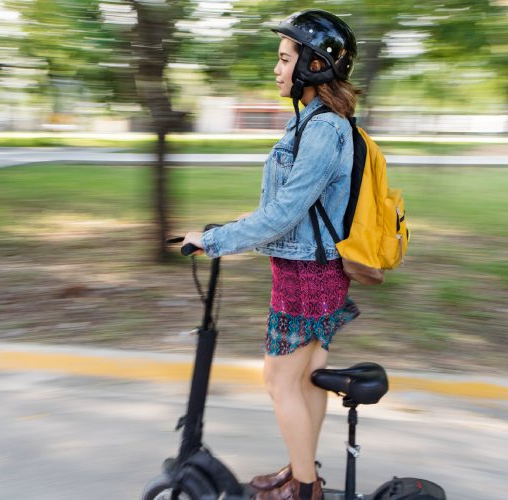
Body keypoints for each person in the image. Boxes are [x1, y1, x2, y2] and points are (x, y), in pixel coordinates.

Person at [180, 9, 361, 500]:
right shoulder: (312, 122)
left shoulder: (323, 129)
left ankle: (304, 490)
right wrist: (226, 229)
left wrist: (215, 241)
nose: (277, 69)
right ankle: (304, 472)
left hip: (308, 277)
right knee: (304, 383)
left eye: (285, 60)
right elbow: (286, 210)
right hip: (308, 270)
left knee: (280, 382)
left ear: (315, 66)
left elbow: (283, 213)